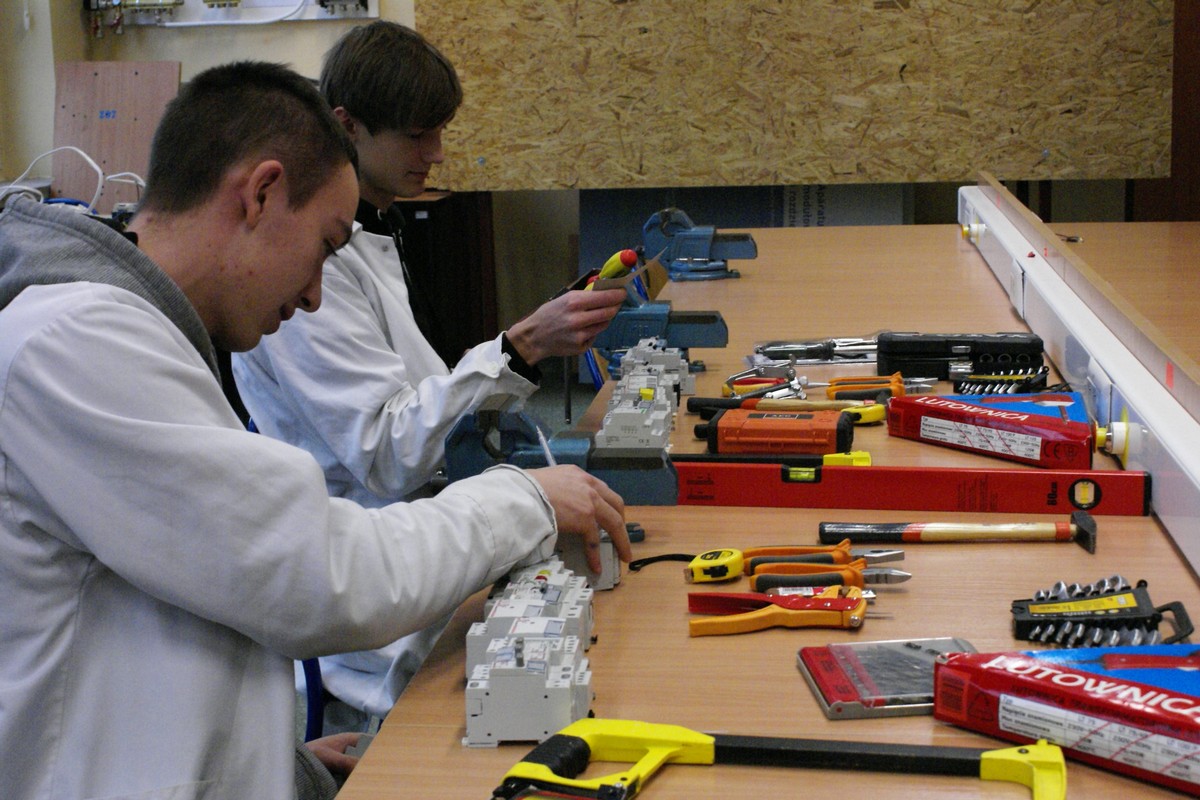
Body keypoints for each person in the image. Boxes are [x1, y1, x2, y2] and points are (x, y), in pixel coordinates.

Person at [0, 61, 628, 800]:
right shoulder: (74, 344)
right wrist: (526, 499)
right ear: (261, 194)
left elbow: (175, 608)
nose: (315, 296)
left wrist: (277, 763)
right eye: (326, 247)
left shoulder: (138, 337)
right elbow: (317, 575)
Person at [231, 21, 629, 727]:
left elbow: (414, 401)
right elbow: (385, 451)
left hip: (423, 546)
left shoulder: (375, 230)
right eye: (418, 135)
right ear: (347, 125)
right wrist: (519, 349)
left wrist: (515, 354)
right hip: (376, 609)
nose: (436, 154)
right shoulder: (310, 267)